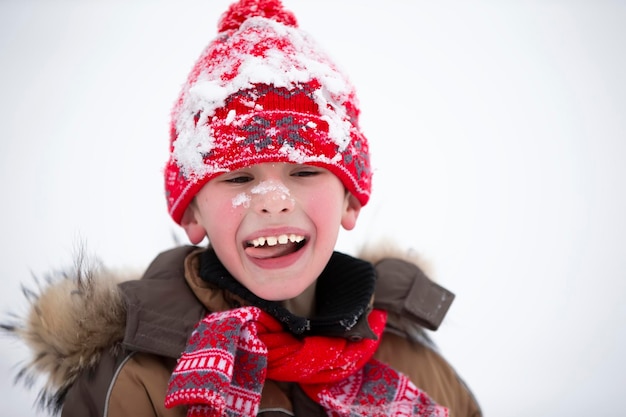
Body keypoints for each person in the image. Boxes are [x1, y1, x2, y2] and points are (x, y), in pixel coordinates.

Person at [2, 0, 482, 416]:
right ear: (193, 213)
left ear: (351, 200)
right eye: (238, 178)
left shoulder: (421, 373)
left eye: (304, 171)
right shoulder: (139, 384)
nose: (273, 201)